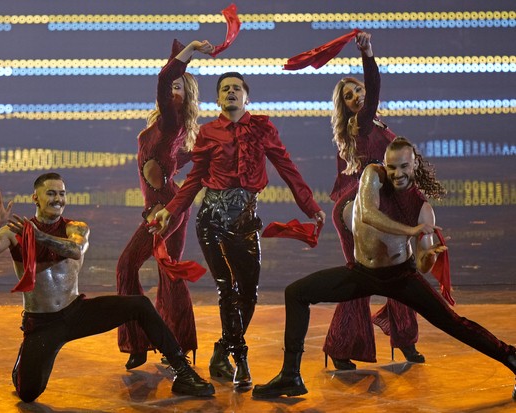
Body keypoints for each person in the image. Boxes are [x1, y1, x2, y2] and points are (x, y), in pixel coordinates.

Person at [253, 137, 516, 399]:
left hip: (400, 276)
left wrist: (429, 257)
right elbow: (367, 213)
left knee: (454, 324)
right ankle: (291, 376)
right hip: (362, 274)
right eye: (392, 167)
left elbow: (423, 265)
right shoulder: (373, 175)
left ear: (414, 166)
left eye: (403, 167)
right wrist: (410, 230)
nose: (397, 173)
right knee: (296, 292)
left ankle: (511, 357)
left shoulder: (422, 209)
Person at [0, 172, 215, 402]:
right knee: (28, 393)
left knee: (139, 304)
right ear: (36, 197)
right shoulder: (15, 233)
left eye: (62, 194)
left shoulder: (75, 228)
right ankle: (25, 361)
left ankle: (183, 372)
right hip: (43, 323)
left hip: (76, 313)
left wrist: (38, 236)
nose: (58, 199)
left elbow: (74, 250)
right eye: (51, 193)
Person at [151, 72, 326, 388]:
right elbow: (194, 180)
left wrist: (310, 207)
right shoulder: (207, 132)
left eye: (236, 88)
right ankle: (240, 359)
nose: (230, 92)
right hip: (212, 220)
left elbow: (288, 169)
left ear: (247, 97)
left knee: (248, 293)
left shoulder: (262, 128)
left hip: (245, 221)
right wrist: (170, 209)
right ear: (218, 99)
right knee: (226, 289)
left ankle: (221, 350)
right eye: (224, 89)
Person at [324, 31, 423, 370]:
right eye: (348, 96)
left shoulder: (375, 124)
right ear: (346, 106)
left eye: (358, 91)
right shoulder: (360, 124)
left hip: (376, 208)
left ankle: (404, 337)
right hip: (357, 211)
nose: (355, 97)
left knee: (399, 270)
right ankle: (340, 345)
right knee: (361, 278)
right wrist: (368, 54)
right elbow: (376, 85)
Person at [116, 39, 214, 370]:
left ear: (186, 96)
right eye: (170, 85)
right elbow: (180, 158)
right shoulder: (164, 128)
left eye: (179, 87)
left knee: (151, 269)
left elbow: (162, 79)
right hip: (161, 208)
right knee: (151, 269)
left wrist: (188, 53)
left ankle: (170, 344)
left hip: (168, 211)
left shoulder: (172, 123)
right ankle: (150, 341)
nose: (172, 90)